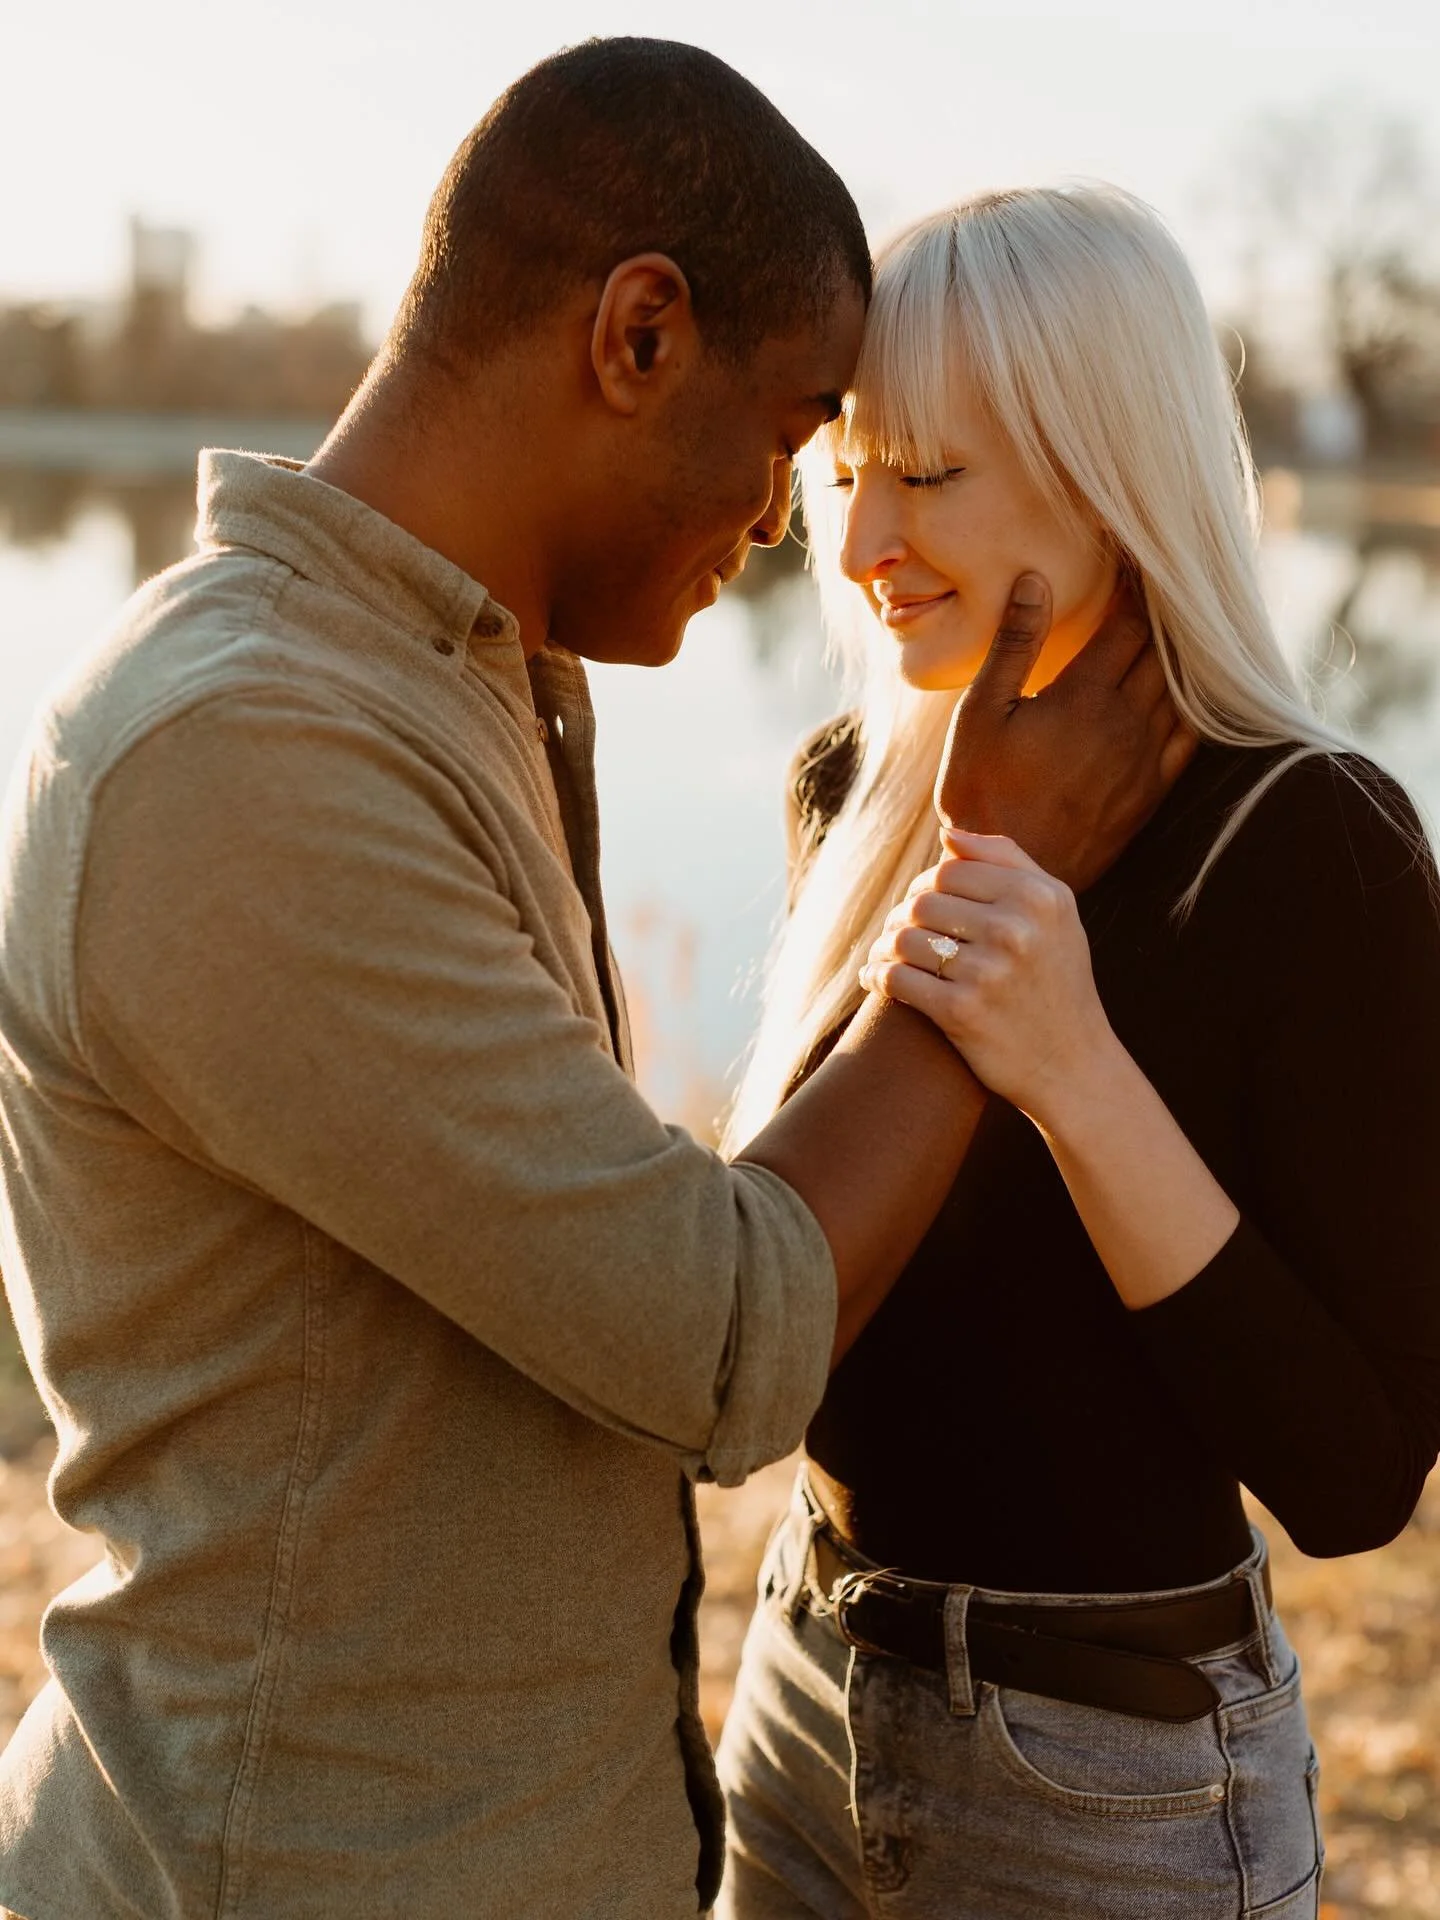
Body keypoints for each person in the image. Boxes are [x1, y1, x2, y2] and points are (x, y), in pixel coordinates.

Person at [0, 50, 1184, 1920]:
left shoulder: (443, 677)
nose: (796, 528)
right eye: (796, 438)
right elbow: (715, 1340)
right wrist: (994, 892)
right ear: (639, 335)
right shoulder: (247, 753)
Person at [717, 183, 1440, 1920]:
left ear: (1110, 471)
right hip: (802, 1690)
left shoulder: (1313, 843)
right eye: (848, 469)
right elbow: (786, 1309)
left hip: (1107, 1784)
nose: (863, 536)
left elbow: (1355, 1481)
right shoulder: (849, 789)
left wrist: (1068, 1065)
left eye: (930, 473)